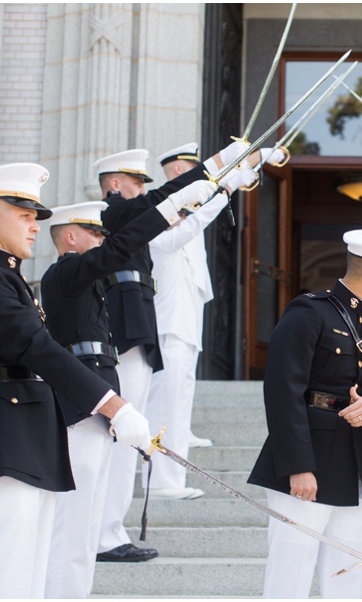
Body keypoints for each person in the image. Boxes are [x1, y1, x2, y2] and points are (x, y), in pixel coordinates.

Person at [0, 163, 152, 598]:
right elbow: (34, 346)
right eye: (24, 215)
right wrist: (113, 404)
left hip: (31, 439)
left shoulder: (11, 280)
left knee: (29, 584)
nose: (36, 225)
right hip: (2, 440)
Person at [41, 179, 232, 596]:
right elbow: (120, 246)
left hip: (97, 406)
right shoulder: (65, 273)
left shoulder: (87, 283)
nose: (103, 239)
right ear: (70, 237)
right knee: (73, 521)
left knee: (87, 520)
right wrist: (174, 204)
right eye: (94, 232)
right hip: (79, 407)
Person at [94, 145, 258, 561]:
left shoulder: (132, 219)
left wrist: (222, 188)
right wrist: (222, 182)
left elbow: (170, 216)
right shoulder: (112, 215)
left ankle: (111, 528)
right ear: (115, 186)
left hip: (150, 332)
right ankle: (108, 529)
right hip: (138, 333)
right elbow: (168, 216)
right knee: (134, 424)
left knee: (141, 423)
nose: (141, 192)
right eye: (135, 184)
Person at [247, 228, 362, 598]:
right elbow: (281, 391)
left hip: (351, 465)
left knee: (347, 574)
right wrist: (297, 466)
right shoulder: (310, 311)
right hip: (307, 463)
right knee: (291, 573)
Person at [143, 142, 244, 499]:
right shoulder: (160, 237)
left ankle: (173, 476)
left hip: (185, 333)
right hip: (168, 332)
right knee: (164, 406)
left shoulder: (184, 238)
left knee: (177, 405)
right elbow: (195, 219)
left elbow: (194, 216)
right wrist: (226, 189)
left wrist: (232, 175)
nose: (184, 215)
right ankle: (160, 481)